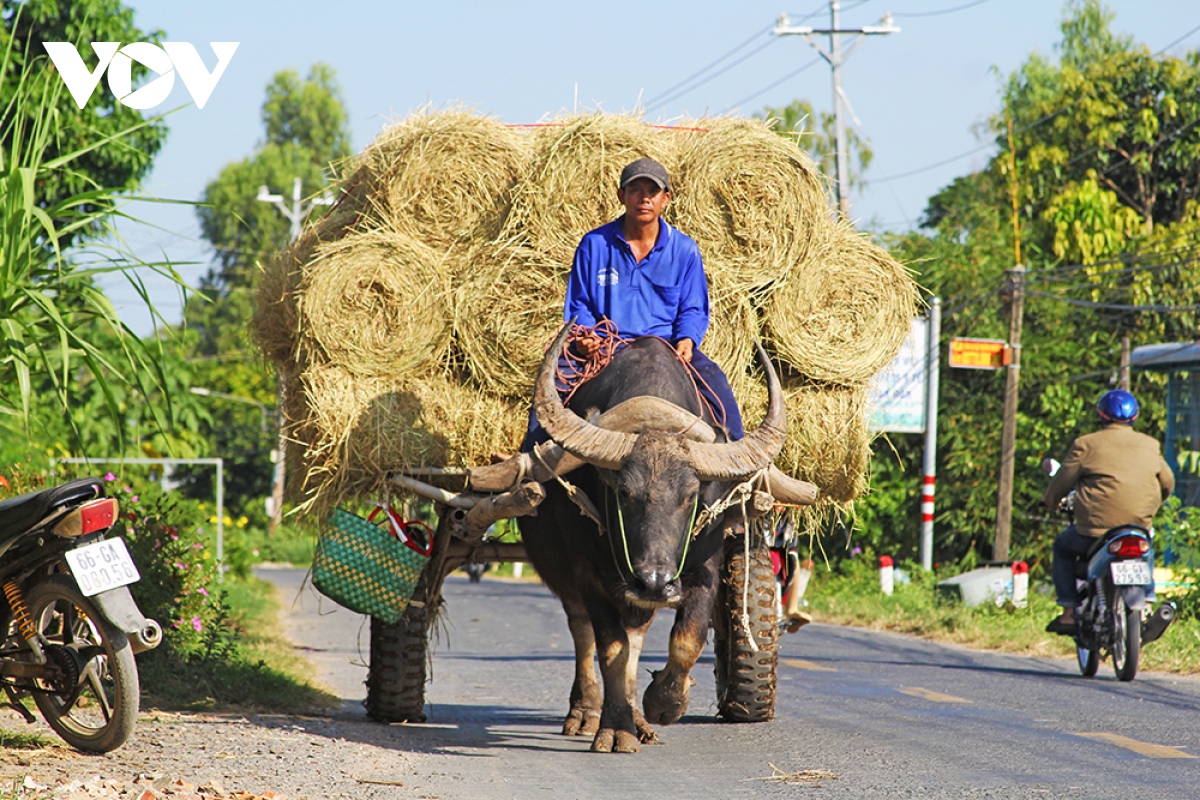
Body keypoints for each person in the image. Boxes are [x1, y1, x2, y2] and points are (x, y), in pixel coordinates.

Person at [522, 157, 743, 449]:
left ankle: (743, 464)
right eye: (635, 189)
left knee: (716, 382)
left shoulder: (685, 250)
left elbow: (692, 307)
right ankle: (531, 462)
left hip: (666, 347)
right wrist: (588, 337)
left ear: (665, 199)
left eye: (652, 191)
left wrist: (688, 339)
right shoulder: (594, 245)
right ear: (621, 196)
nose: (644, 198)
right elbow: (581, 304)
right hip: (606, 346)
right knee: (553, 381)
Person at [1041, 389, 1175, 635]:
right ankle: (1146, 600)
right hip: (1137, 526)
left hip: (1094, 531)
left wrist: (1050, 500)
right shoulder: (1150, 444)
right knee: (1146, 541)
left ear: (1101, 415)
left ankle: (1069, 612)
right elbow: (1167, 482)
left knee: (1062, 546)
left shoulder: (1086, 444)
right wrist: (1156, 502)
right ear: (1134, 416)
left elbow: (1063, 480)